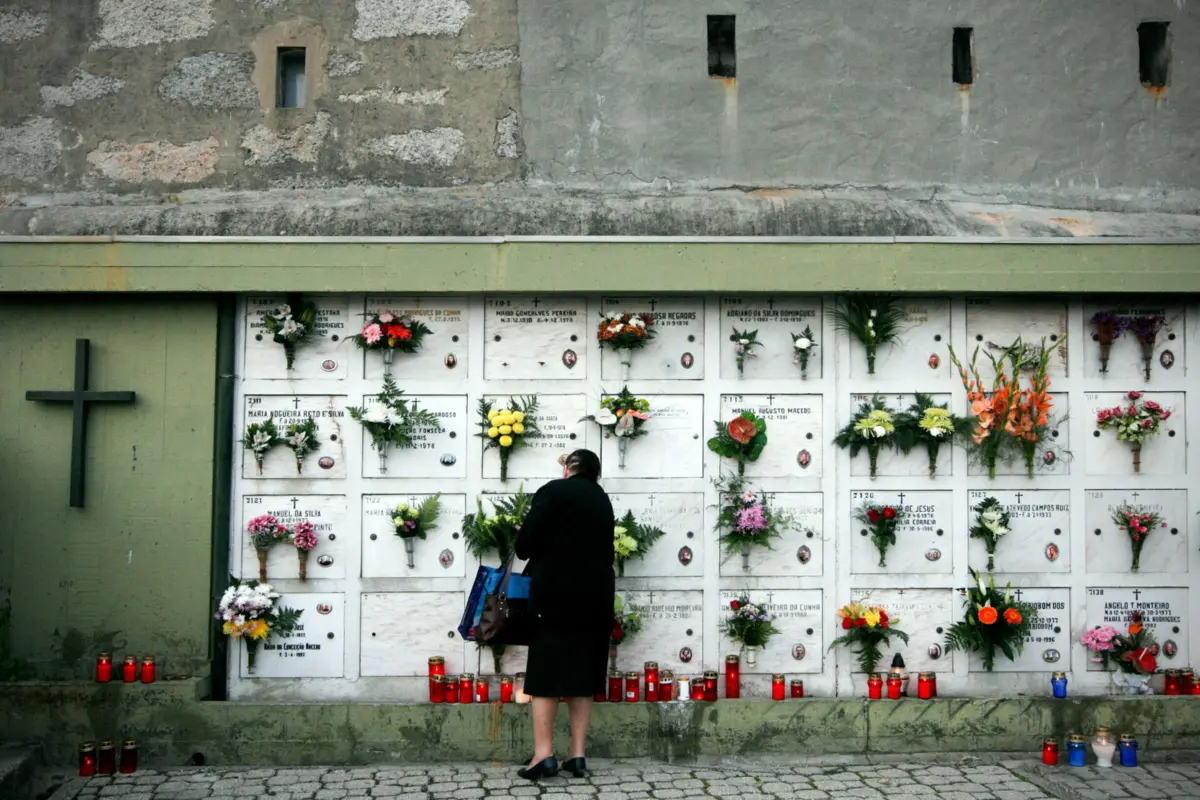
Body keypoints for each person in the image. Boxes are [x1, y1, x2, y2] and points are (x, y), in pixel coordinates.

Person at [513, 449, 614, 780]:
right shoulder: (602, 499)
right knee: (583, 673)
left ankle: (543, 755)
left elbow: (525, 545)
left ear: (570, 468)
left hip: (554, 594)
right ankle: (578, 755)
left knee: (545, 670)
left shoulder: (553, 491)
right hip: (596, 596)